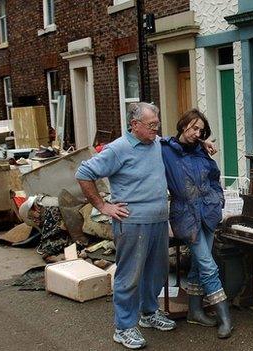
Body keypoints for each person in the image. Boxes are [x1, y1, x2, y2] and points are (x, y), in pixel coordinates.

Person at [75, 102, 176, 350]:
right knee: (129, 276)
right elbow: (84, 173)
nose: (157, 128)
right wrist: (103, 206)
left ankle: (148, 313)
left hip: (158, 220)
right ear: (134, 125)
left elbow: (177, 142)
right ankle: (124, 327)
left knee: (157, 272)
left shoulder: (155, 144)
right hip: (132, 223)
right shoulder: (118, 149)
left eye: (157, 123)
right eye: (152, 124)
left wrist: (202, 143)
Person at [160, 108, 233, 339]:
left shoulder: (202, 152)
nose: (197, 132)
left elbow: (214, 178)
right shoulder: (165, 150)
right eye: (193, 127)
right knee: (208, 265)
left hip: (208, 213)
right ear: (183, 126)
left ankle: (195, 311)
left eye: (201, 130)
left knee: (198, 265)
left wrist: (218, 199)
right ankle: (225, 318)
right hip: (186, 216)